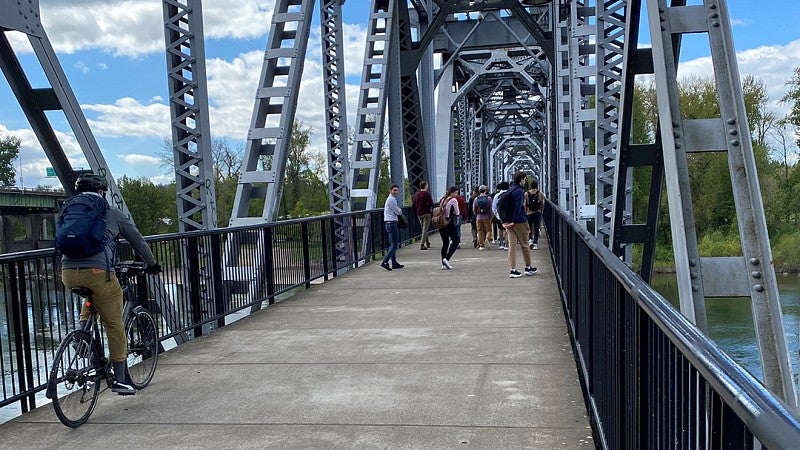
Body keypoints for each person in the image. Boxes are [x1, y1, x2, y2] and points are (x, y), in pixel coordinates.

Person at [60, 174, 161, 395]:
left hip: (68, 273)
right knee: (114, 325)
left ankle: (81, 338)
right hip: (98, 273)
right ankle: (121, 379)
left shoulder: (70, 210)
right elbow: (137, 240)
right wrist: (152, 264)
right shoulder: (111, 212)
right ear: (102, 192)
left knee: (90, 299)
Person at [497, 171, 537, 278]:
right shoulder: (519, 191)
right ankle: (528, 267)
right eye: (524, 179)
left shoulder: (510, 189)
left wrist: (506, 222)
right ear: (521, 180)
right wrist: (514, 221)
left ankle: (513, 269)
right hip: (519, 221)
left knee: (512, 246)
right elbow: (518, 207)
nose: (525, 182)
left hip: (509, 222)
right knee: (524, 244)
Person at [380, 184, 404, 271]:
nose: (395, 192)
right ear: (390, 190)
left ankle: (394, 263)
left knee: (392, 244)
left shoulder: (391, 199)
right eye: (394, 190)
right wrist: (400, 211)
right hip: (392, 223)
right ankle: (385, 262)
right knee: (394, 244)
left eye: (397, 190)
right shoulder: (391, 200)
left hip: (388, 223)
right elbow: (398, 211)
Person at [438, 186, 461, 269]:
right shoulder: (453, 200)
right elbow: (457, 212)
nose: (456, 195)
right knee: (456, 241)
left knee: (445, 243)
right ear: (452, 192)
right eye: (455, 193)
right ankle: (446, 259)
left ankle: (443, 264)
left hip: (441, 223)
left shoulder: (442, 199)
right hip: (448, 222)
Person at [411, 181, 434, 250]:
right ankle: (422, 244)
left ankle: (428, 243)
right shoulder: (427, 194)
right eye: (427, 185)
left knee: (424, 229)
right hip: (426, 213)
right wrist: (433, 210)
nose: (428, 186)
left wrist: (417, 212)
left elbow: (413, 206)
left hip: (419, 214)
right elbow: (431, 204)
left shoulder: (416, 194)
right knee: (425, 229)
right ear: (425, 186)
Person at [525, 180, 545, 250]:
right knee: (536, 228)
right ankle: (535, 244)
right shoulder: (540, 194)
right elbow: (542, 204)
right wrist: (541, 211)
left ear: (530, 186)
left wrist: (525, 212)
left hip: (529, 213)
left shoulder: (526, 194)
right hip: (537, 212)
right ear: (537, 186)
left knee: (529, 228)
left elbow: (525, 204)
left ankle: (530, 240)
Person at [472, 185, 493, 250]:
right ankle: (487, 239)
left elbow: (474, 209)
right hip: (486, 217)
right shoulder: (489, 199)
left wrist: (476, 215)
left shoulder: (476, 199)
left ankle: (481, 245)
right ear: (485, 191)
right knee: (489, 230)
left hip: (478, 217)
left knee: (479, 231)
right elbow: (490, 209)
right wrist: (491, 216)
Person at [491, 182, 509, 250]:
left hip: (499, 216)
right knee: (507, 229)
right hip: (507, 216)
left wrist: (497, 215)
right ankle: (506, 244)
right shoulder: (510, 194)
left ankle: (501, 243)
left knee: (500, 229)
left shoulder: (497, 195)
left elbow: (494, 206)